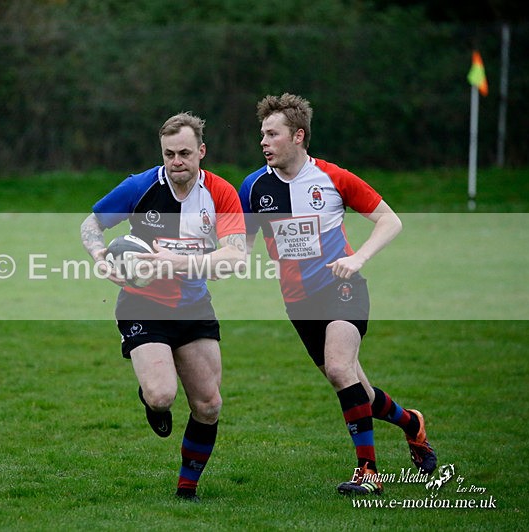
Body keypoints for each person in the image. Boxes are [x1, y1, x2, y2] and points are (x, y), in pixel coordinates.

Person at [238, 93, 436, 496]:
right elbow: (241, 243)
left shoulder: (332, 178)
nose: (263, 142)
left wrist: (359, 257)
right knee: (354, 388)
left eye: (271, 134)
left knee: (340, 368)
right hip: (298, 302)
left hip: (343, 287)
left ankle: (368, 473)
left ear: (298, 136)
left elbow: (389, 220)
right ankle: (410, 423)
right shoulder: (254, 187)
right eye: (261, 134)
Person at [80, 112, 246, 502]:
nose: (176, 162)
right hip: (143, 304)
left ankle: (187, 489)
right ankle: (151, 401)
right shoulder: (140, 187)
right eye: (169, 154)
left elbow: (236, 257)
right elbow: (90, 225)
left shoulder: (220, 194)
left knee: (208, 404)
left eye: (185, 153)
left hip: (193, 306)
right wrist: (99, 255)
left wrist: (177, 263)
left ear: (201, 151)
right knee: (161, 396)